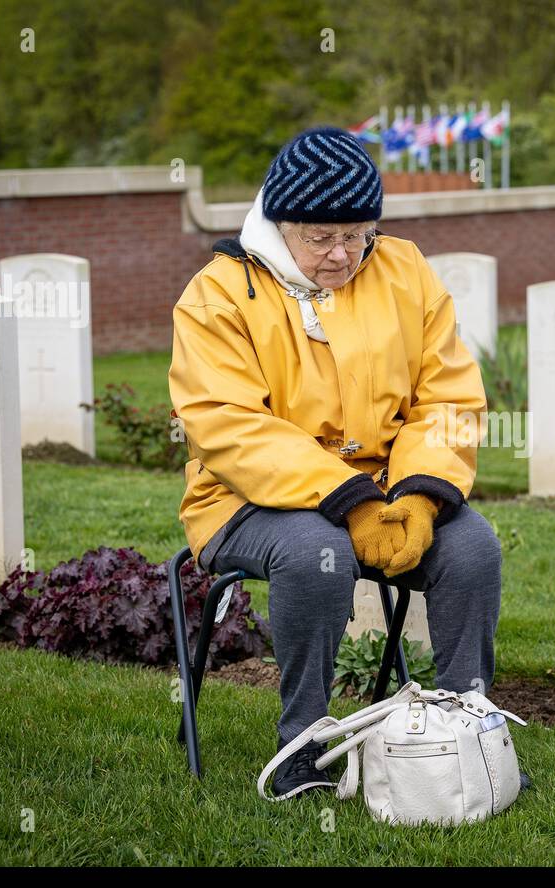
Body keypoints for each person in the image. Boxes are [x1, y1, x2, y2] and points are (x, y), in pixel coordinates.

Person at [169, 126, 504, 799]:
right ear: (277, 222)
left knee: (472, 547)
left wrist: (416, 497)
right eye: (320, 238)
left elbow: (445, 396)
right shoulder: (218, 293)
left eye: (357, 234)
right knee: (314, 551)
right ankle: (306, 746)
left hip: (385, 494)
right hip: (241, 502)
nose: (343, 254)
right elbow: (229, 427)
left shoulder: (405, 269)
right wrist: (348, 498)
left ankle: (471, 734)